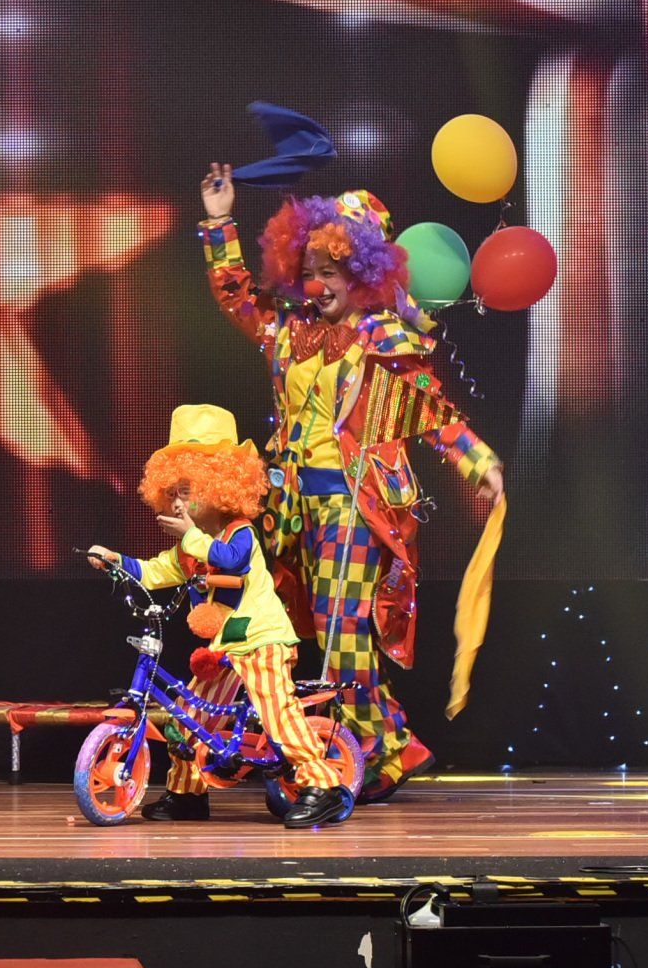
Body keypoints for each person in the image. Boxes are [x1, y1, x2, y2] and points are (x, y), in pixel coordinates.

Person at [197, 164, 503, 800]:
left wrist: (478, 463)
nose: (315, 283)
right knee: (255, 619)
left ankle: (372, 750)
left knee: (342, 634)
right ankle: (304, 741)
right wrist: (221, 223)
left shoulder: (383, 337)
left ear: (362, 273)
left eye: (329, 272)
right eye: (308, 270)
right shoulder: (290, 330)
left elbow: (435, 411)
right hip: (290, 502)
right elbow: (236, 298)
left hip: (355, 504)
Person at [87, 404, 350, 826]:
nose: (177, 501)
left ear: (221, 485)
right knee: (189, 718)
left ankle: (324, 786)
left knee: (278, 714)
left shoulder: (238, 532)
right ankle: (187, 795)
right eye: (171, 491)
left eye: (186, 490)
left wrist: (190, 536)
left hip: (262, 640)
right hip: (225, 648)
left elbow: (229, 560)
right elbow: (155, 571)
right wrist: (116, 559)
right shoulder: (192, 546)